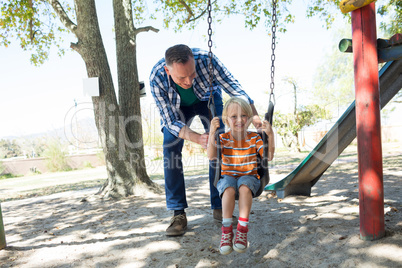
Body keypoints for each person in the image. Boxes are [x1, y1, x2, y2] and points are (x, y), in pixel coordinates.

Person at [149, 44, 262, 237]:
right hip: (177, 111)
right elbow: (170, 121)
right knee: (170, 148)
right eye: (181, 78)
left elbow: (233, 87)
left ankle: (219, 206)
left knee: (218, 144)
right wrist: (198, 138)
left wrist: (256, 118)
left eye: (192, 74)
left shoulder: (206, 60)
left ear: (194, 61)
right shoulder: (157, 78)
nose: (188, 81)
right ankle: (178, 213)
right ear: (168, 70)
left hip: (207, 99)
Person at [207, 97, 275, 255]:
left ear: (250, 118)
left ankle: (242, 230)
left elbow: (269, 156)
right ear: (226, 120)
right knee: (229, 188)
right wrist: (212, 133)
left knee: (244, 186)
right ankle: (226, 231)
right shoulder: (222, 138)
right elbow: (211, 156)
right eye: (234, 116)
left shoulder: (254, 138)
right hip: (228, 177)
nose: (239, 120)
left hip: (249, 178)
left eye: (244, 115)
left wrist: (270, 135)